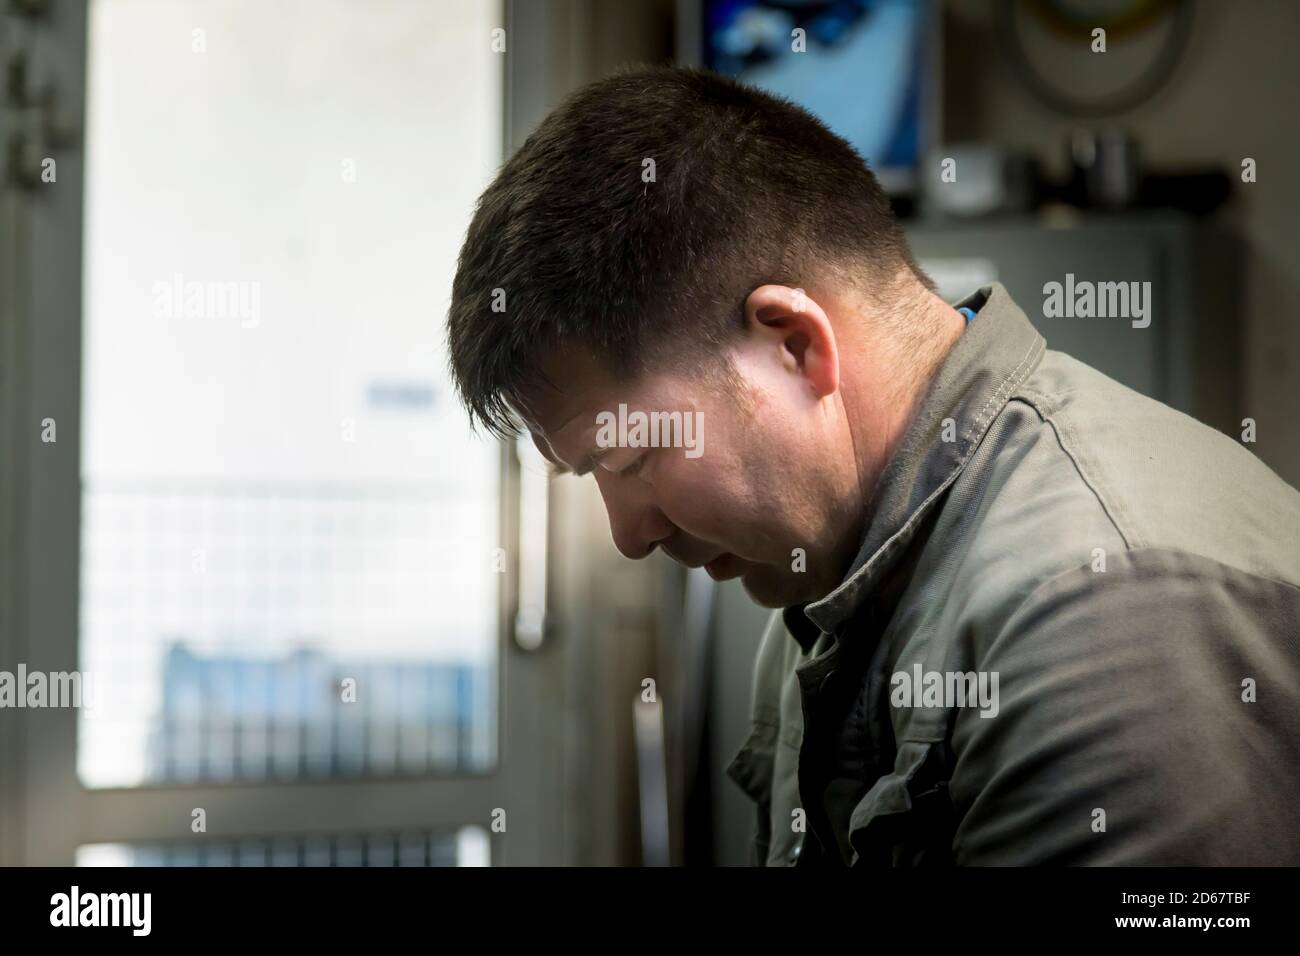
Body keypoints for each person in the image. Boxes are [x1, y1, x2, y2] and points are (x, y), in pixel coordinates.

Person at [446, 65, 1300, 865]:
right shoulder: (831, 581)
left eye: (630, 457)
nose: (628, 535)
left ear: (793, 346)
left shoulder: (1102, 609)